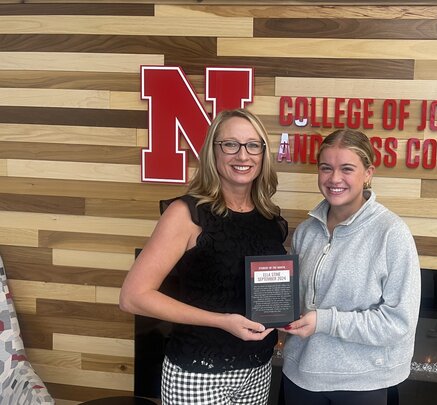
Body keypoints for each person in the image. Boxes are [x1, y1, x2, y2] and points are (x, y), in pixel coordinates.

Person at [119, 108, 287, 404]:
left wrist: (281, 320)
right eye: (230, 144)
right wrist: (222, 321)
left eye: (253, 145)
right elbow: (133, 297)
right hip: (199, 373)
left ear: (263, 154)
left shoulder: (269, 219)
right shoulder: (185, 214)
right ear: (213, 151)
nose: (243, 155)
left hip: (258, 370)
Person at [281, 129, 421, 405]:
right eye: (326, 168)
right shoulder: (306, 232)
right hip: (301, 376)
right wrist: (270, 314)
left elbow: (398, 322)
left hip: (363, 384)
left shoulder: (391, 233)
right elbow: (293, 302)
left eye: (347, 169)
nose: (334, 179)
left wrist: (325, 321)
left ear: (368, 173)